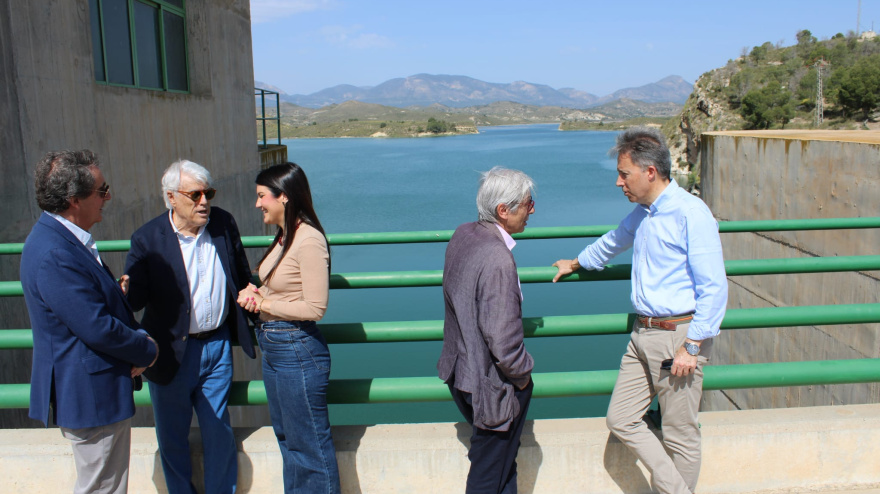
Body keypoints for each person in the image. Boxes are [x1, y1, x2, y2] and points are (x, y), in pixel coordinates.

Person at [551, 127, 728, 494]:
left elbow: (714, 287)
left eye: (624, 174)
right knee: (621, 418)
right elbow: (614, 241)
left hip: (678, 336)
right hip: (643, 334)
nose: (619, 182)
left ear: (650, 172)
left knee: (680, 434)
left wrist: (692, 346)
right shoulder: (644, 213)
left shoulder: (690, 214)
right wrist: (577, 262)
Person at [21, 149, 159, 494]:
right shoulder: (56, 253)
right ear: (74, 200)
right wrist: (146, 348)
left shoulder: (59, 240)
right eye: (101, 190)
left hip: (91, 389)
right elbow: (95, 326)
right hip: (91, 394)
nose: (108, 196)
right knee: (104, 488)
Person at [123, 160, 255, 494]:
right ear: (171, 197)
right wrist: (123, 290)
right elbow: (135, 300)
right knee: (172, 438)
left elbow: (240, 272)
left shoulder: (223, 223)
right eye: (194, 194)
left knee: (219, 432)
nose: (204, 202)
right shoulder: (147, 239)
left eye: (208, 193)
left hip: (218, 346)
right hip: (170, 353)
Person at [236, 162, 340, 494]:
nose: (257, 204)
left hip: (297, 349)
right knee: (287, 439)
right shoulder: (285, 236)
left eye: (261, 196)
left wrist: (262, 304)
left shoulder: (308, 240)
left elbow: (314, 307)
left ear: (283, 196)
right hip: (276, 348)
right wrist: (259, 291)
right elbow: (284, 286)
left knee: (308, 446)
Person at [437, 166, 536, 494]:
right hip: (492, 386)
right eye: (527, 203)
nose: (532, 209)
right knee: (487, 475)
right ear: (503, 211)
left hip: (460, 373)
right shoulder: (498, 259)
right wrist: (523, 376)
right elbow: (502, 340)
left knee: (503, 465)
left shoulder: (464, 234)